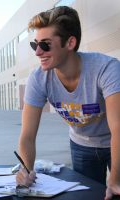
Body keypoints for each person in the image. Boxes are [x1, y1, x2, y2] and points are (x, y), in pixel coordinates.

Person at [15, 6, 120, 200]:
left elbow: (118, 129)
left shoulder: (107, 69)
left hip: (115, 142)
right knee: (87, 196)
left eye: (45, 45)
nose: (38, 52)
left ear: (70, 42)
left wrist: (114, 180)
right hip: (81, 145)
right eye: (35, 45)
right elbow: (27, 135)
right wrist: (26, 170)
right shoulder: (38, 78)